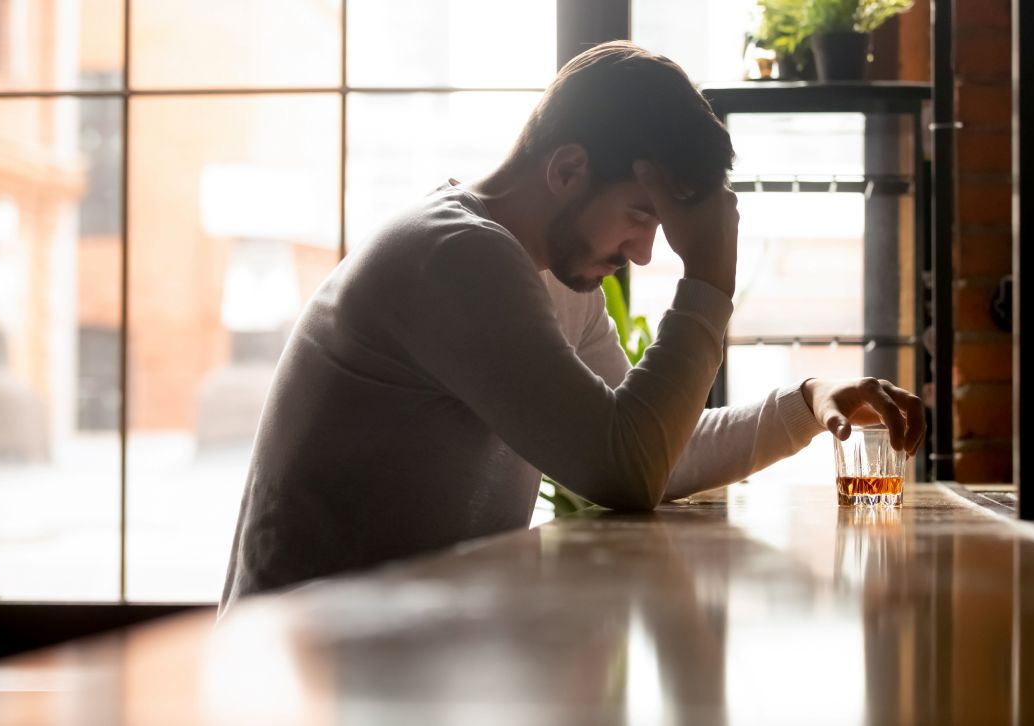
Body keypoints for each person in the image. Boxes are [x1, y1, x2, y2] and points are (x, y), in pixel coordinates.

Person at [219, 41, 925, 615]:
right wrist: (709, 274)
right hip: (299, 668)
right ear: (567, 168)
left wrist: (806, 402)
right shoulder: (455, 253)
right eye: (643, 215)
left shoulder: (556, 277)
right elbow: (624, 468)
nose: (647, 252)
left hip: (401, 657)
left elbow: (658, 454)